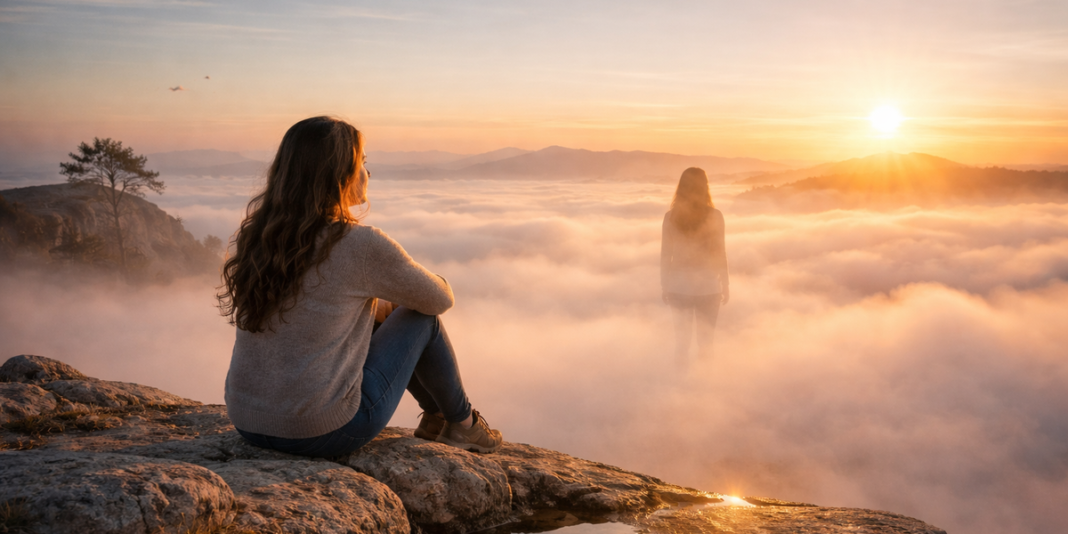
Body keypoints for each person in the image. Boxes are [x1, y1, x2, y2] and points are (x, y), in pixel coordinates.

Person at [218, 116, 503, 457]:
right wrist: (413, 290)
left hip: (248, 422)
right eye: (363, 164)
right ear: (339, 175)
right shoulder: (360, 244)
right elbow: (439, 299)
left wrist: (376, 305)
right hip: (323, 431)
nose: (369, 173)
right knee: (419, 317)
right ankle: (461, 423)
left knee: (382, 310)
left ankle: (437, 418)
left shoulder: (259, 237)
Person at [661, 167, 730, 363]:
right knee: (706, 343)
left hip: (678, 286)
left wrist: (664, 285)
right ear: (705, 187)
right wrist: (725, 284)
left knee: (681, 344)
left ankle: (679, 387)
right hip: (708, 287)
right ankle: (704, 388)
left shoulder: (670, 217)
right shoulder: (716, 216)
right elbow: (720, 252)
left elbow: (666, 255)